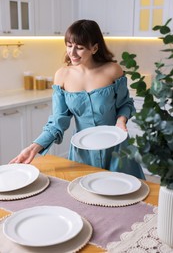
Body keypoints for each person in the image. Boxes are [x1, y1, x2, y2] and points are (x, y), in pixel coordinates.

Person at [10, 19, 145, 179]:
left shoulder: (113, 70)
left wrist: (121, 121)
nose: (72, 53)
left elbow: (125, 104)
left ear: (94, 48)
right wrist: (33, 148)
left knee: (127, 197)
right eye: (69, 45)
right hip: (83, 152)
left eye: (79, 47)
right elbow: (57, 121)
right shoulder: (62, 76)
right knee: (85, 197)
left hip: (117, 148)